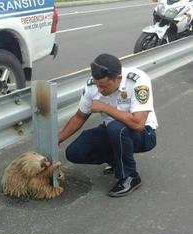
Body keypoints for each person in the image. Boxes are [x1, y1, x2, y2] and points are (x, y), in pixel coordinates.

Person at [58, 53, 157, 197]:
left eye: (104, 86)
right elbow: (80, 116)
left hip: (143, 134)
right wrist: (58, 139)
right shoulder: (93, 86)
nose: (99, 90)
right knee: (74, 152)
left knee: (116, 128)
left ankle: (130, 176)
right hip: (113, 132)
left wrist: (105, 108)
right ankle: (116, 161)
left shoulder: (137, 80)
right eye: (98, 85)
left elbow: (138, 124)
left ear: (118, 79)